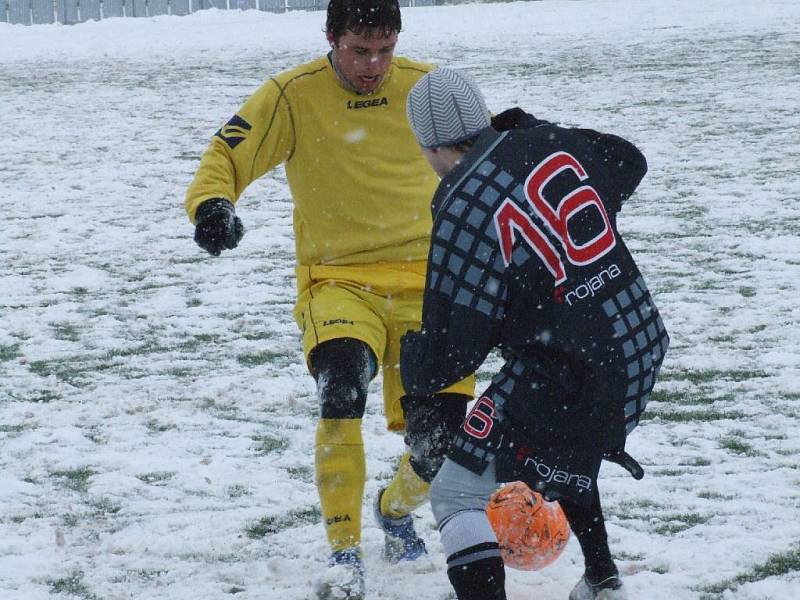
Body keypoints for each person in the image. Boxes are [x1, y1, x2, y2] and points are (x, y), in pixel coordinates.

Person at [184, 3, 474, 599]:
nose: (373, 65)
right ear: (331, 39)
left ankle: (394, 511)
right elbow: (226, 153)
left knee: (442, 442)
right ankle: (344, 556)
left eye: (384, 50)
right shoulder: (291, 96)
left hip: (430, 282)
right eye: (359, 50)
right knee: (341, 383)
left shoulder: (427, 89)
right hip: (337, 279)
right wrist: (213, 204)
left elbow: (490, 160)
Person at [400, 68, 670, 600]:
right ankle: (602, 582)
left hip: (567, 365)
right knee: (566, 443)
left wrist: (416, 371)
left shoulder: (458, 201)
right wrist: (537, 132)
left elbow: (455, 345)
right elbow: (627, 160)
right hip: (636, 342)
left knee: (455, 493)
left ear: (427, 145)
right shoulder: (546, 145)